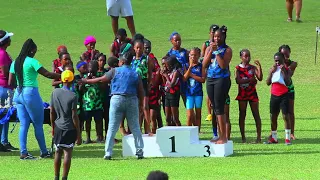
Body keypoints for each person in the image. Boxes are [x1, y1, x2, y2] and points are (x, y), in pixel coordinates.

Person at [79, 52, 144, 160]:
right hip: (132, 99)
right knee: (135, 127)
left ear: (122, 61)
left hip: (117, 99)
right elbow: (141, 90)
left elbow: (100, 79)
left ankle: (108, 153)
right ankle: (139, 151)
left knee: (112, 127)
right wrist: (141, 103)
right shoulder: (135, 73)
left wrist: (86, 81)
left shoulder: (114, 71)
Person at [8, 38, 61, 159]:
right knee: (38, 123)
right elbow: (47, 74)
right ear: (31, 51)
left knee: (23, 124)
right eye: (35, 51)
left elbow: (11, 81)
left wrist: (20, 85)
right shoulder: (32, 62)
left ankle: (24, 152)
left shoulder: (15, 62)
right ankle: (44, 152)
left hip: (18, 94)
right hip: (30, 93)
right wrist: (62, 76)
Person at [202, 26, 232, 144]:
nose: (216, 38)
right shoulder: (209, 48)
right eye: (215, 36)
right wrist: (210, 51)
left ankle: (223, 136)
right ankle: (219, 135)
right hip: (210, 79)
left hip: (222, 80)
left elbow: (223, 65)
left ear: (223, 37)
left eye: (219, 36)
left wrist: (217, 52)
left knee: (220, 108)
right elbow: (204, 64)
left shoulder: (227, 50)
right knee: (214, 107)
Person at [50, 70, 81, 180]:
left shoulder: (55, 93)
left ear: (62, 80)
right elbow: (74, 116)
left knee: (58, 152)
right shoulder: (73, 95)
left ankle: (56, 177)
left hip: (58, 127)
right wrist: (78, 133)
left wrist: (53, 127)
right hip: (69, 128)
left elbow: (52, 112)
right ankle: (64, 178)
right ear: (72, 80)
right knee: (67, 152)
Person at [235, 49, 263, 143]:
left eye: (249, 56)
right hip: (242, 94)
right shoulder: (238, 68)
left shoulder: (253, 68)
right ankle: (243, 137)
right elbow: (238, 81)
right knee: (242, 115)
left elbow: (260, 78)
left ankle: (258, 137)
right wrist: (249, 80)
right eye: (245, 56)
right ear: (241, 57)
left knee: (256, 114)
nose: (248, 58)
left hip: (252, 93)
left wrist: (259, 67)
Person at [266, 52, 292, 145]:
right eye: (275, 60)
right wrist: (270, 72)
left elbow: (288, 82)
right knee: (273, 116)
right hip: (274, 95)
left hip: (283, 95)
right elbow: (268, 82)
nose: (277, 62)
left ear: (283, 60)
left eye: (279, 60)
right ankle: (274, 138)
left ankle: (287, 138)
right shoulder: (273, 69)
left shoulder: (287, 69)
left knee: (285, 116)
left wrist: (283, 71)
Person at [0, 30, 17, 151]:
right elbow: (5, 73)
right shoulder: (2, 54)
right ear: (5, 41)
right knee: (5, 116)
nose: (10, 40)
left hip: (3, 87)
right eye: (8, 38)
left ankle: (3, 142)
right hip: (5, 88)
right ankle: (4, 142)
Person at [131, 39, 153, 134]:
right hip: (134, 85)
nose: (139, 50)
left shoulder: (147, 58)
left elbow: (150, 73)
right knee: (138, 108)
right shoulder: (131, 59)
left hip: (143, 83)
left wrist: (149, 84)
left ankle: (148, 129)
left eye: (141, 48)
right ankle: (138, 129)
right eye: (137, 48)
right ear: (134, 49)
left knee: (145, 107)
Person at [82, 60, 104, 143]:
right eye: (90, 67)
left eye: (93, 67)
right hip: (87, 105)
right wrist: (85, 81)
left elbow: (104, 88)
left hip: (98, 104)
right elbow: (81, 89)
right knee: (87, 122)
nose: (91, 69)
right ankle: (88, 138)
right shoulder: (84, 77)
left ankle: (99, 137)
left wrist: (97, 80)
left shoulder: (100, 76)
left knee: (98, 121)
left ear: (97, 68)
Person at [144, 39, 163, 133]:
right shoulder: (140, 60)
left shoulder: (153, 58)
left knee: (153, 115)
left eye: (149, 47)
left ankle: (155, 133)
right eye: (146, 47)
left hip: (154, 90)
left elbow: (158, 71)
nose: (148, 49)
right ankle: (147, 133)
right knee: (145, 115)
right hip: (143, 90)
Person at [201, 24, 219, 122]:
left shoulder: (220, 43)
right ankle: (209, 113)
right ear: (210, 33)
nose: (214, 34)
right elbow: (201, 58)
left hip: (218, 71)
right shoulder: (206, 44)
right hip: (209, 70)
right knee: (209, 92)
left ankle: (216, 112)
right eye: (213, 32)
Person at [183, 47, 204, 132]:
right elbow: (184, 78)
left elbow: (203, 79)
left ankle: (197, 133)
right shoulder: (186, 65)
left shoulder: (201, 66)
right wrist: (190, 67)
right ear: (189, 55)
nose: (193, 57)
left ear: (198, 56)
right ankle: (188, 132)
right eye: (191, 55)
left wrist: (192, 76)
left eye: (195, 55)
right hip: (189, 94)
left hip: (198, 93)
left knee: (198, 114)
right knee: (189, 115)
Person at [279, 45, 297, 140]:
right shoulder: (277, 63)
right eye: (283, 54)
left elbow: (288, 76)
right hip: (279, 89)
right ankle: (273, 132)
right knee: (276, 112)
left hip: (289, 89)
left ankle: (292, 133)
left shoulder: (293, 63)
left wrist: (282, 67)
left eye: (287, 54)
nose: (286, 56)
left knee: (290, 112)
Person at [167, 32, 188, 106]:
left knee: (187, 102)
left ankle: (191, 117)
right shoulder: (169, 53)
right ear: (171, 41)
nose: (178, 42)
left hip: (184, 80)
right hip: (175, 81)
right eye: (176, 40)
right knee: (174, 104)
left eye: (179, 40)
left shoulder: (185, 52)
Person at [161, 56, 182, 126]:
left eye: (168, 65)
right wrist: (163, 76)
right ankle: (169, 133)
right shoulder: (168, 72)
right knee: (167, 118)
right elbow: (165, 84)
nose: (167, 67)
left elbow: (171, 84)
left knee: (175, 118)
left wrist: (166, 76)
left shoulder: (176, 72)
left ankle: (180, 133)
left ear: (172, 65)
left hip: (174, 95)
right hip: (167, 94)